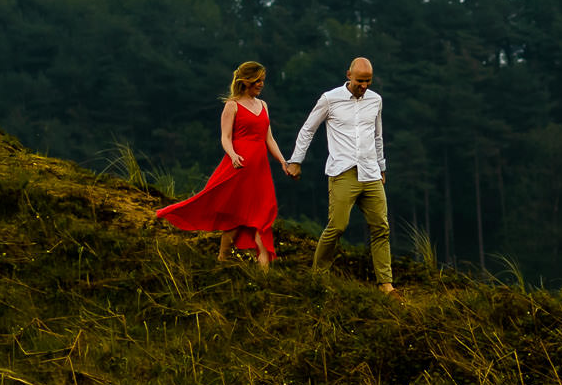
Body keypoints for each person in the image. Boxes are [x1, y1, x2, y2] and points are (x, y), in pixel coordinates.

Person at [154, 61, 287, 267]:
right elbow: (225, 137)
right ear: (246, 81)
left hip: (259, 171)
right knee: (235, 219)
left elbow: (269, 139)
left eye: (262, 80)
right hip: (238, 168)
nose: (261, 84)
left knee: (262, 219)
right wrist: (233, 155)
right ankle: (222, 259)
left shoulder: (263, 106)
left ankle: (263, 277)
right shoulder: (232, 105)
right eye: (258, 80)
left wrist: (282, 161)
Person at [286, 56, 393, 294]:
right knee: (338, 226)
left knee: (381, 227)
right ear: (348, 75)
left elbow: (377, 136)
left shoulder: (375, 100)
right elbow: (308, 129)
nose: (364, 86)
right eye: (360, 81)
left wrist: (382, 166)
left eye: (368, 81)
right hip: (343, 172)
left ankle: (386, 284)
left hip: (371, 172)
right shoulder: (329, 99)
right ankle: (318, 275)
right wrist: (296, 161)